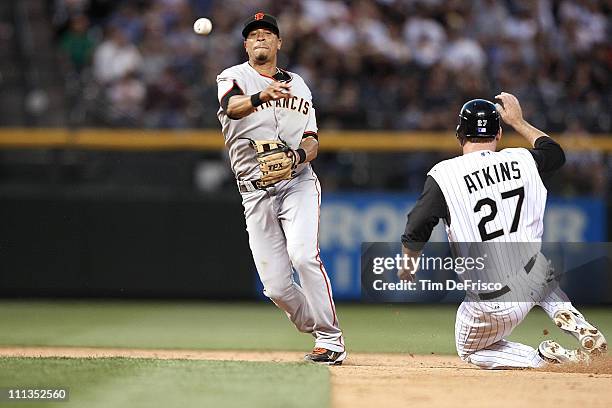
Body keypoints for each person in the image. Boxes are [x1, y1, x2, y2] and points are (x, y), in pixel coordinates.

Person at [398, 92, 606, 369]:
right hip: (534, 276)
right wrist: (518, 121)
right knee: (538, 268)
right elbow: (555, 153)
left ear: (459, 135)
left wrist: (408, 264)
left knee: (470, 350)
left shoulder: (443, 174)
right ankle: (569, 316)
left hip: (493, 302)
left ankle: (542, 359)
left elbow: (417, 225)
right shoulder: (523, 159)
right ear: (498, 133)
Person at [215, 13, 345, 364]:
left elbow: (313, 140)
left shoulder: (300, 85)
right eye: (254, 35)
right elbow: (232, 107)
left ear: (279, 43)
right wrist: (261, 95)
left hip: (297, 182)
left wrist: (298, 156)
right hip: (254, 191)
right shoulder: (233, 76)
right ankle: (318, 326)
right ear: (246, 45)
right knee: (275, 287)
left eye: (267, 34)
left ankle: (331, 339)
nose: (260, 39)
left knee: (304, 256)